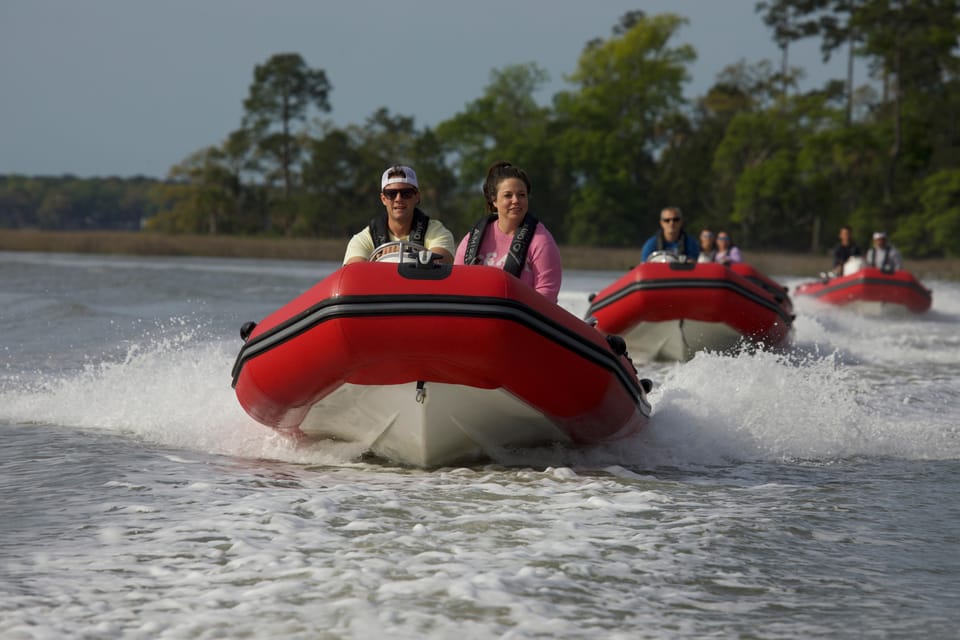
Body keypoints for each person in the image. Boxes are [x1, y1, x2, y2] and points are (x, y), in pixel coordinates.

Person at [455, 161, 562, 303]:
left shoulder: (542, 241)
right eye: (508, 195)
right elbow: (457, 285)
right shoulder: (471, 240)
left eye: (521, 195)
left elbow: (547, 295)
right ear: (494, 200)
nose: (516, 200)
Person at [343, 165, 456, 265]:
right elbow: (352, 272)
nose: (398, 199)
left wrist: (402, 255)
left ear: (417, 196)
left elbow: (443, 260)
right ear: (383, 199)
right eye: (391, 194)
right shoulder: (363, 239)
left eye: (406, 193)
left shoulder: (437, 232)